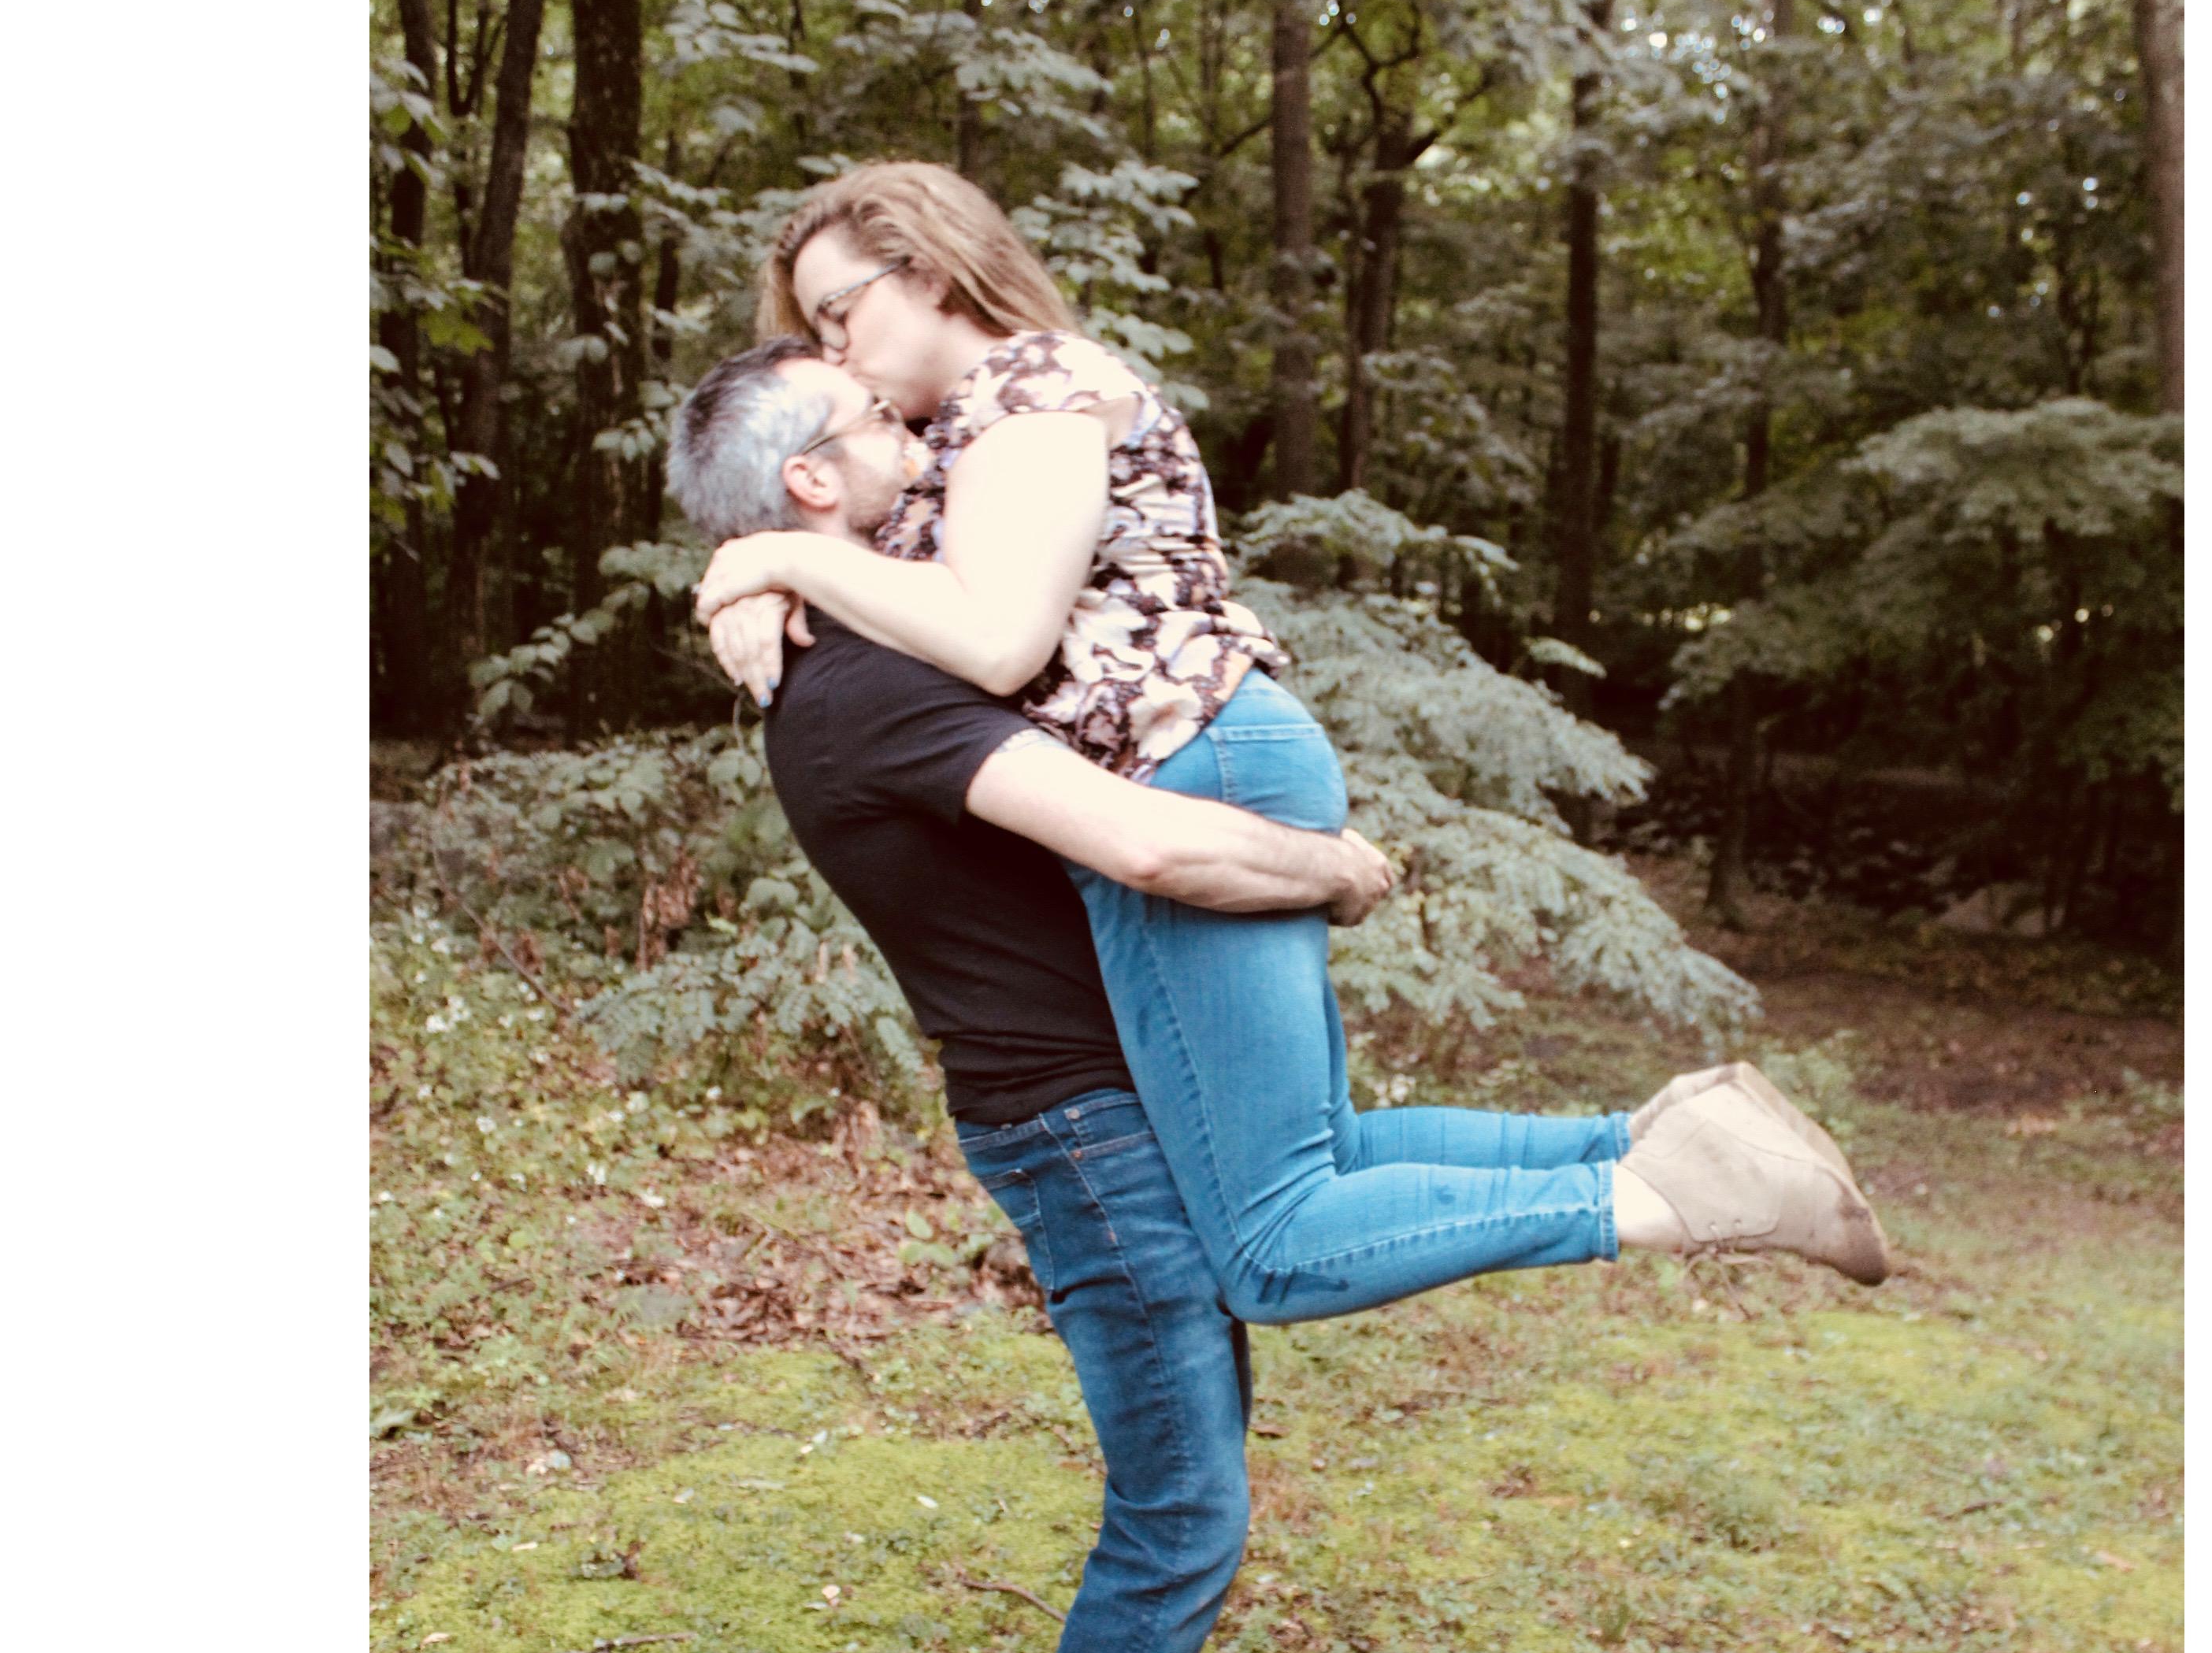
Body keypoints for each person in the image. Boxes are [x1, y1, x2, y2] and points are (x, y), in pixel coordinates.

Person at [662, 338, 1875, 1653]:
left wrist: (749, 574)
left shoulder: (851, 638)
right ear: (810, 485)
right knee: (1184, 1504)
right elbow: (1151, 846)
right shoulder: (871, 691)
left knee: (1318, 1197)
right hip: (1078, 1127)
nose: (916, 442)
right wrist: (1340, 869)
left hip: (1121, 1086)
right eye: (877, 428)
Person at [687, 161, 1891, 1310]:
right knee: (1334, 1148)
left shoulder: (1033, 394)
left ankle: (1688, 1201)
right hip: (1206, 755)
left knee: (1272, 1243)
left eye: (839, 314)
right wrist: (766, 582)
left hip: (1186, 768)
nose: (830, 351)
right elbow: (890, 561)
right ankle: (1669, 1139)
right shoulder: (959, 430)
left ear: (928, 272)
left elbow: (997, 639)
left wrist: (785, 557)